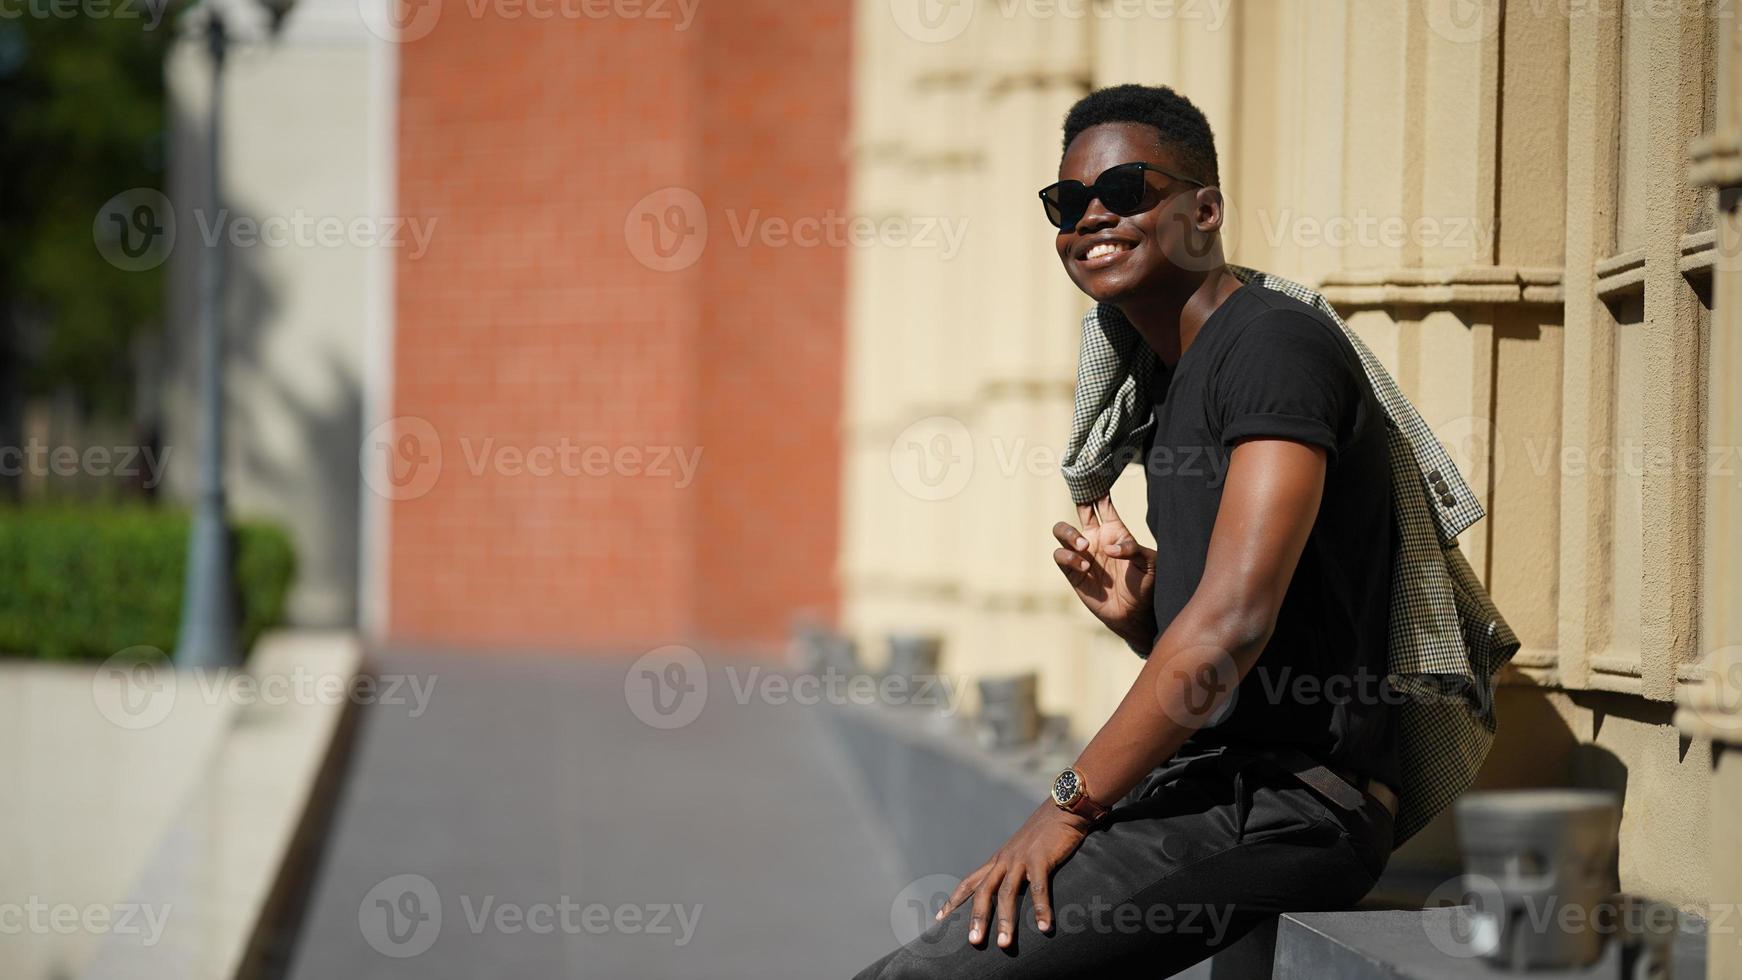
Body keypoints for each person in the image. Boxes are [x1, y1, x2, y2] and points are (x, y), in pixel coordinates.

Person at [853, 83, 1400, 979]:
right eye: (1069, 203)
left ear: (1204, 210)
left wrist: (1066, 806)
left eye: (1128, 190)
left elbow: (1232, 628)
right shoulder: (1173, 380)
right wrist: (1145, 620)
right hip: (1220, 782)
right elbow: (1243, 645)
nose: (1093, 217)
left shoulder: (1271, 347)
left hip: (1295, 805)